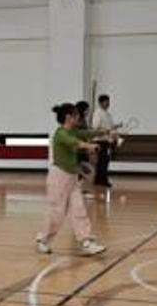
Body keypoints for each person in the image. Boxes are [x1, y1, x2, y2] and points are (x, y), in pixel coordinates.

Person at [35, 103, 108, 256]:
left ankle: (86, 242)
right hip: (58, 178)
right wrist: (90, 146)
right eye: (76, 115)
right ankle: (43, 240)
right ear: (69, 117)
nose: (79, 117)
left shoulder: (73, 131)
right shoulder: (61, 134)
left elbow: (87, 133)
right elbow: (74, 142)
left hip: (72, 177)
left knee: (79, 209)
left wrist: (105, 131)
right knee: (57, 212)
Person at [90, 94, 116, 191]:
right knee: (102, 162)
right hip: (100, 141)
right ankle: (103, 180)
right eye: (106, 102)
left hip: (106, 140)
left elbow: (110, 127)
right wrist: (106, 131)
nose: (108, 104)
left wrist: (115, 127)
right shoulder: (97, 113)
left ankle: (98, 180)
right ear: (100, 103)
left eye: (108, 102)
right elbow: (95, 127)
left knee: (104, 161)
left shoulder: (107, 114)